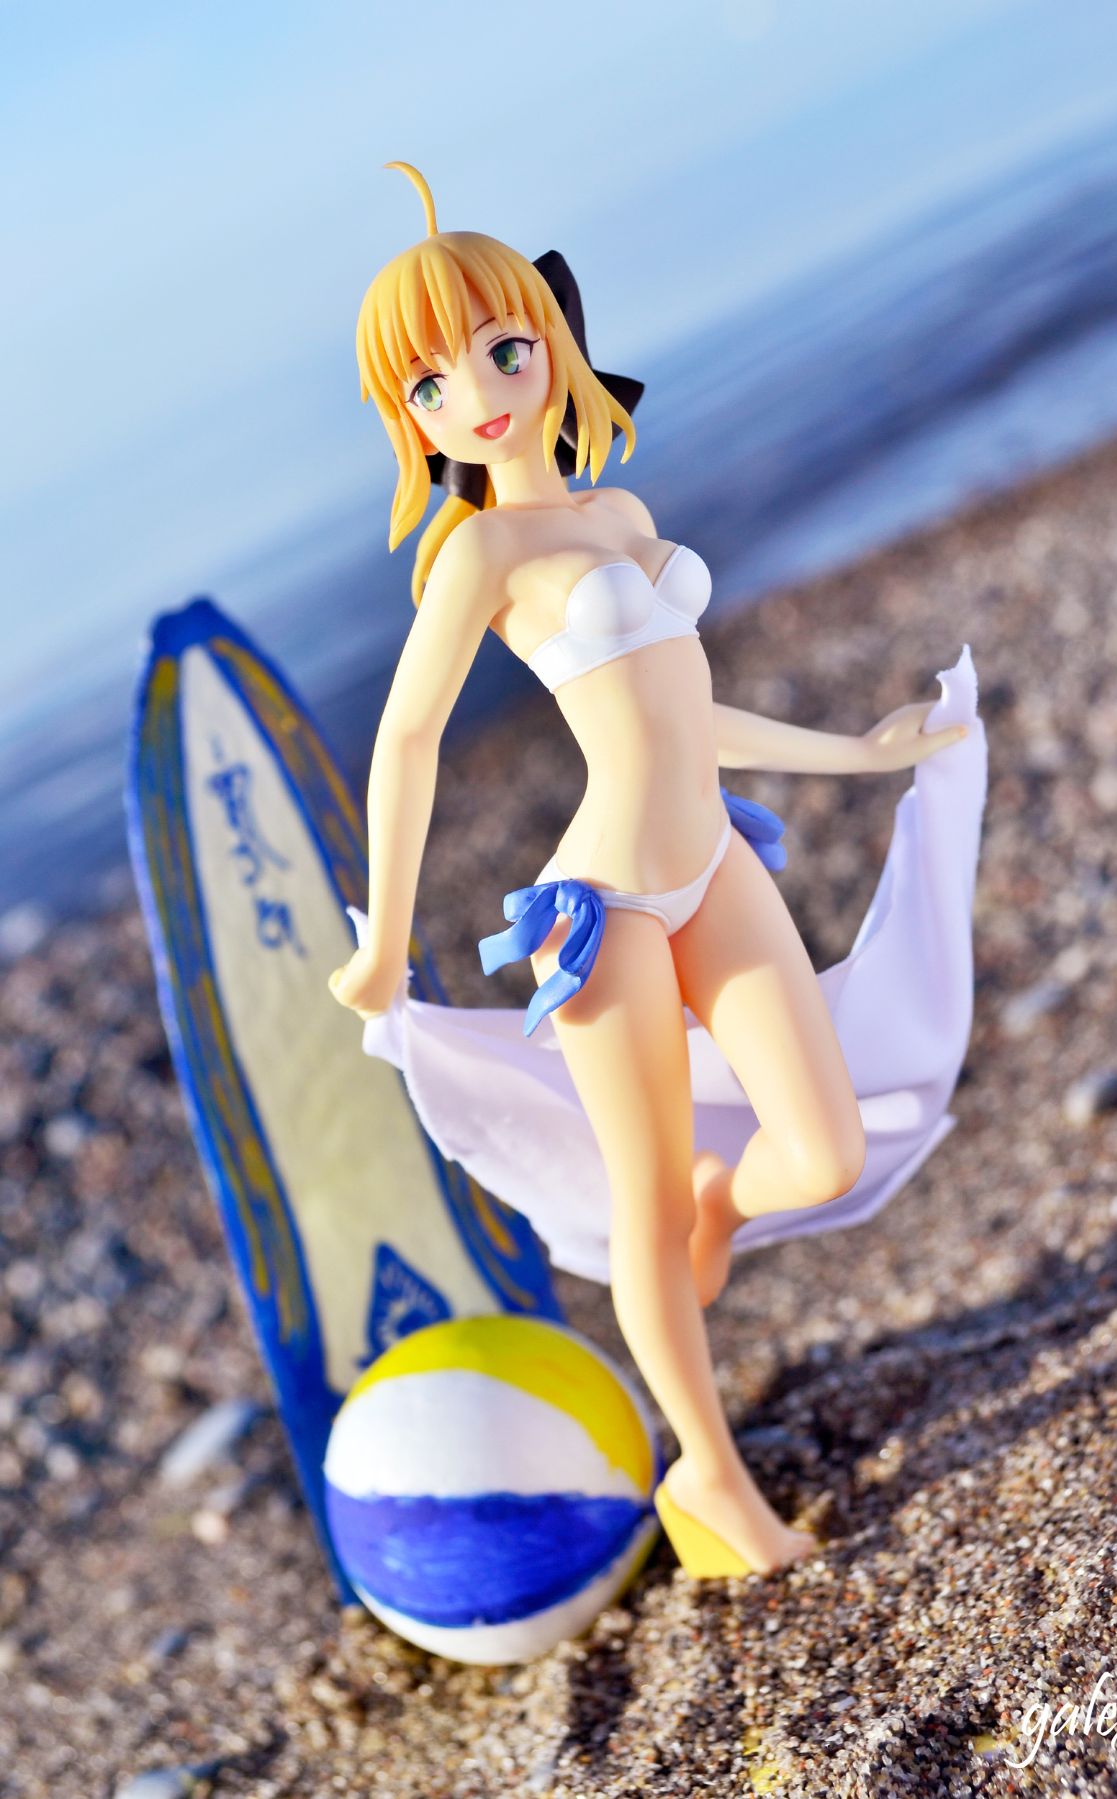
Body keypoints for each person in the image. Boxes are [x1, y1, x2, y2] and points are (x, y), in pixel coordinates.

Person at [329, 162, 983, 1577]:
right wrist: (385, 940)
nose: (478, 392)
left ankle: (717, 1200)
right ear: (410, 419)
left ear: (551, 342)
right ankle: (712, 1480)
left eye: (503, 349)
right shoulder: (480, 552)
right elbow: (407, 743)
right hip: (607, 912)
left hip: (714, 861)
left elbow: (687, 713)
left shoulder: (620, 519)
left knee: (823, 1153)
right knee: (642, 1206)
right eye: (432, 383)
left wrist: (856, 755)